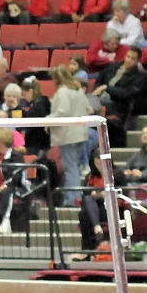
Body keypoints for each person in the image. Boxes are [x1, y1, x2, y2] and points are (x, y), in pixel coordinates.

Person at [48, 65, 90, 205]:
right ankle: (72, 197)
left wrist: (47, 120)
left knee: (70, 167)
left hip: (68, 135)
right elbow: (89, 109)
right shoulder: (78, 90)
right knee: (74, 166)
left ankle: (73, 199)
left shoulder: (63, 92)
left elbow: (62, 112)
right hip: (80, 133)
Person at [77, 148, 127, 255]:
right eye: (97, 164)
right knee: (83, 213)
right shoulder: (90, 177)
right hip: (95, 209)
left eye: (102, 164)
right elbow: (85, 195)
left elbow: (122, 193)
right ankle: (89, 245)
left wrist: (102, 194)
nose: (99, 166)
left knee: (86, 211)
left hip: (113, 209)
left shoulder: (117, 174)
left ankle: (95, 230)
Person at [92, 47, 145, 120]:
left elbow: (126, 94)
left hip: (117, 105)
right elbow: (99, 80)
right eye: (128, 56)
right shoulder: (113, 66)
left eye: (133, 58)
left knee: (93, 103)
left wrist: (107, 88)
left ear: (137, 61)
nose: (129, 60)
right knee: (82, 99)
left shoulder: (138, 77)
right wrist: (97, 90)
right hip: (100, 97)